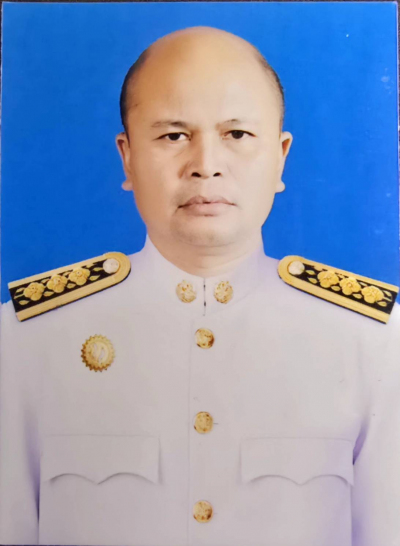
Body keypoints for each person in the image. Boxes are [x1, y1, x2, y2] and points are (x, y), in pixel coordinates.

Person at [0, 26, 399, 546]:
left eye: (237, 135)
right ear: (127, 156)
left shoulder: (374, 343)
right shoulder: (24, 340)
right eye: (173, 136)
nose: (206, 166)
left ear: (280, 156)